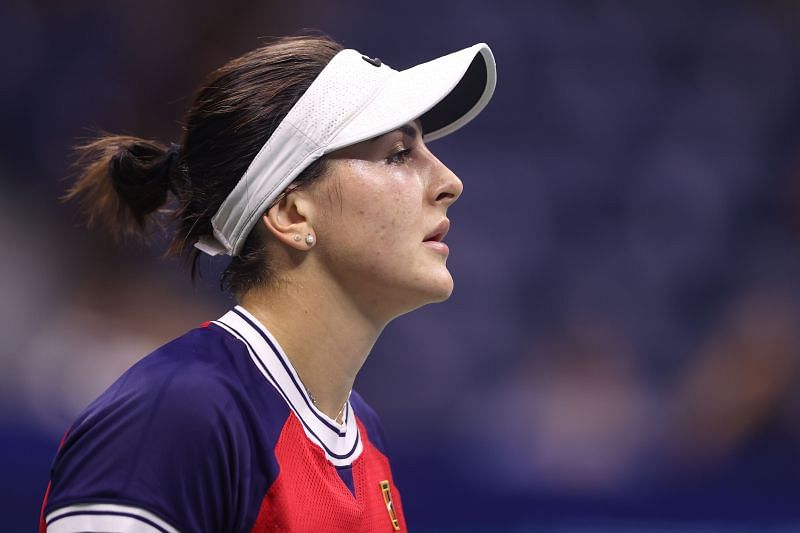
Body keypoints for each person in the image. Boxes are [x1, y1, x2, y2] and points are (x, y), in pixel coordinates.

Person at [40, 34, 496, 532]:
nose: (450, 181)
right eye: (397, 153)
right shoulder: (176, 415)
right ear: (291, 212)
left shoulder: (362, 435)